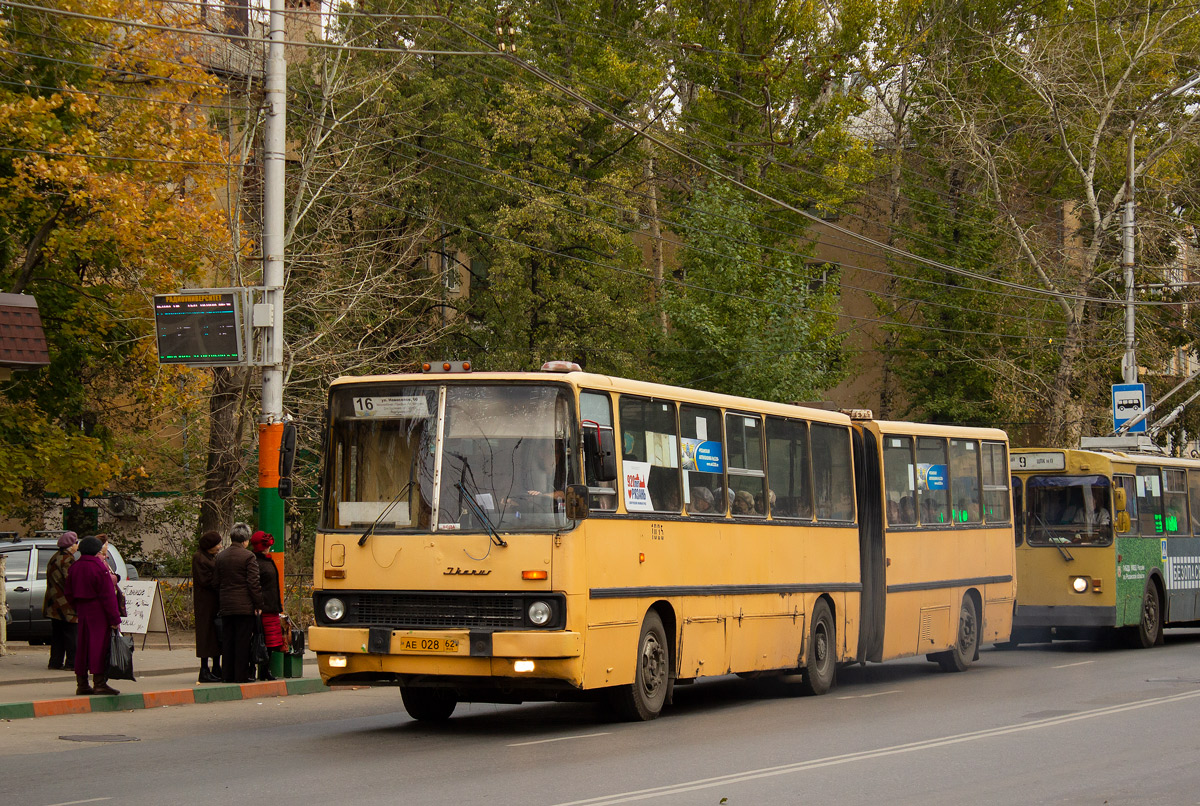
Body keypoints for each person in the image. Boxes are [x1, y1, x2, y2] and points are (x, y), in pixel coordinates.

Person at [65, 536, 122, 696]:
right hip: (99, 612)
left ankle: (82, 682)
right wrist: (114, 618)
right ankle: (100, 683)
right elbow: (107, 595)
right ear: (97, 550)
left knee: (82, 647)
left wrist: (76, 606)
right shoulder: (99, 567)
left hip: (82, 610)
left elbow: (68, 592)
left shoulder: (75, 567)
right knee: (99, 647)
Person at [214, 522, 263, 683]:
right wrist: (258, 604)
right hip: (244, 607)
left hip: (226, 605)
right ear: (246, 540)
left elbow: (216, 581)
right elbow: (253, 583)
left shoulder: (221, 556)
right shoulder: (248, 557)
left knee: (228, 640)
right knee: (242, 641)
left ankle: (227, 674)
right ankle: (240, 675)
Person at [250, 531, 284, 681]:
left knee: (270, 641)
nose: (269, 548)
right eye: (267, 546)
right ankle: (259, 669)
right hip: (264, 607)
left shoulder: (263, 561)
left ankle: (264, 669)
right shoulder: (257, 563)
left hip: (270, 606)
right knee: (262, 640)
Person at [43, 531, 79, 671]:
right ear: (70, 545)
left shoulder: (55, 557)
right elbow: (71, 581)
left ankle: (55, 662)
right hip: (66, 604)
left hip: (53, 603)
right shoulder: (67, 560)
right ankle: (72, 663)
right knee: (71, 635)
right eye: (76, 543)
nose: (77, 545)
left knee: (57, 635)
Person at [192, 531, 223, 683]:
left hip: (214, 602)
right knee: (206, 634)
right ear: (209, 545)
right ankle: (204, 669)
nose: (220, 546)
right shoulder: (199, 558)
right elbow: (206, 580)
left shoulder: (210, 557)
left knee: (216, 634)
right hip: (205, 603)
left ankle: (216, 667)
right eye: (217, 544)